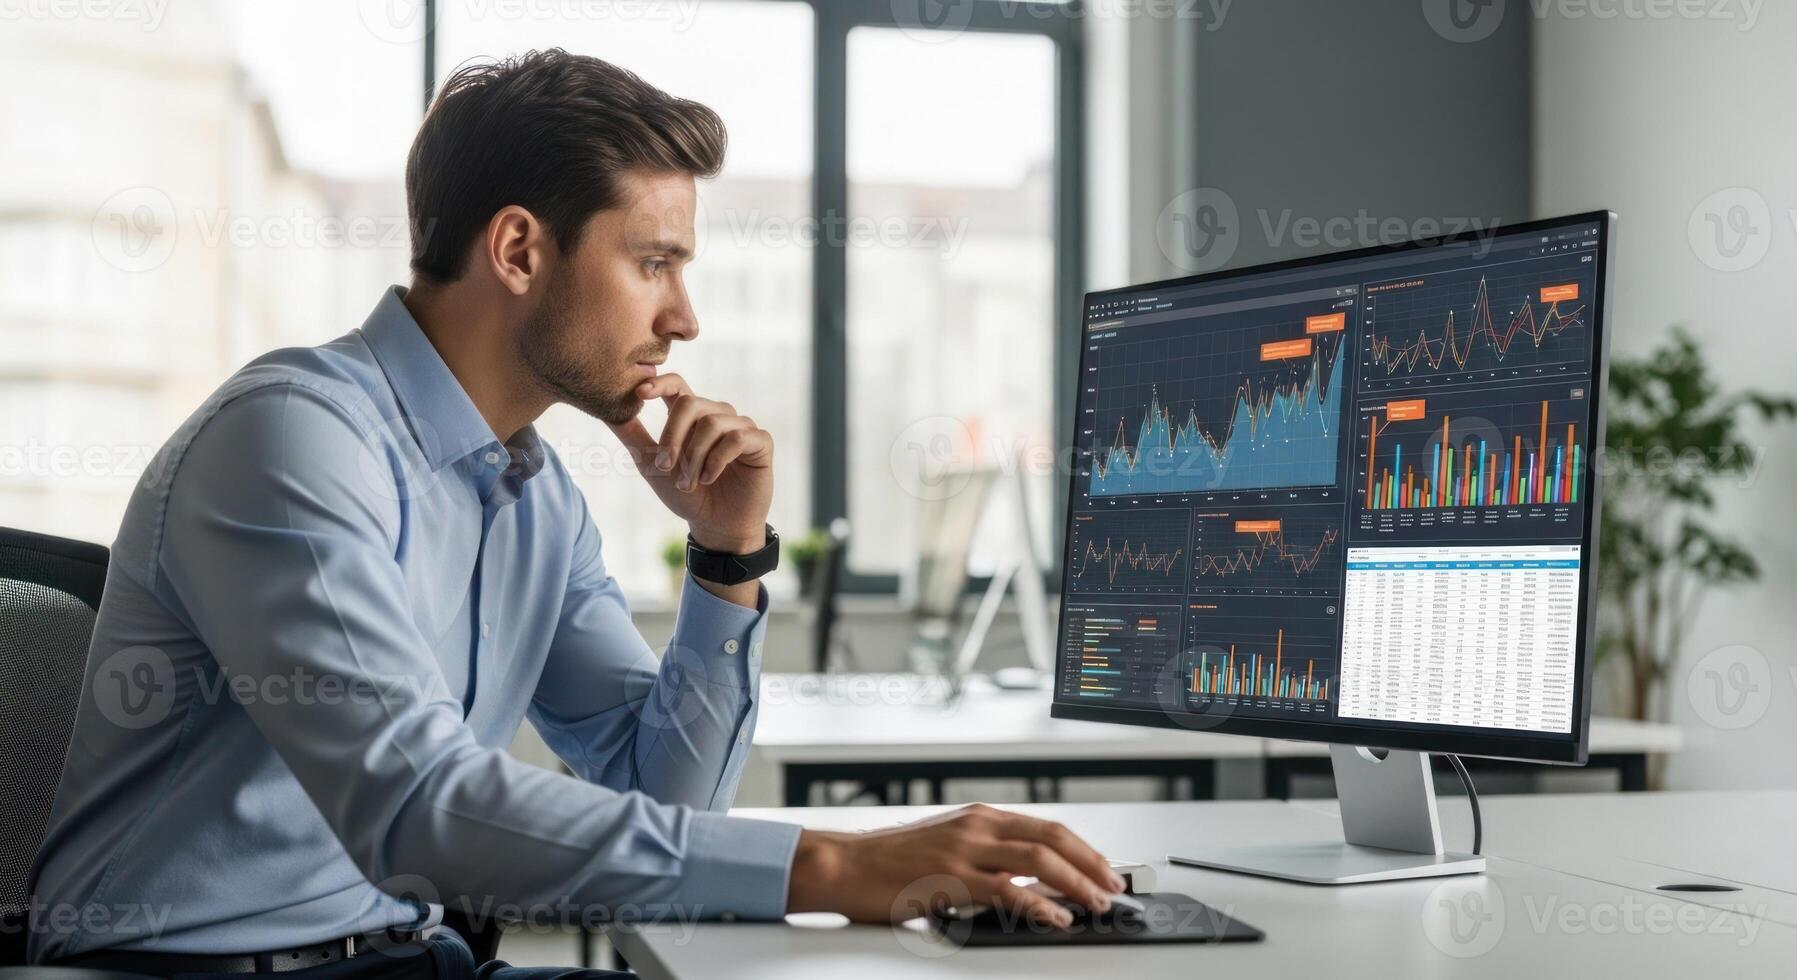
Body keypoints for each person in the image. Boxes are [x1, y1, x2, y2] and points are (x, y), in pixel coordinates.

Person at [28, 49, 1121, 979]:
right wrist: (834, 862)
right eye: (655, 263)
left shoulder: (535, 495)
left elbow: (665, 795)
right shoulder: (292, 440)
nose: (683, 317)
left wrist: (725, 554)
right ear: (517, 251)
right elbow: (417, 808)